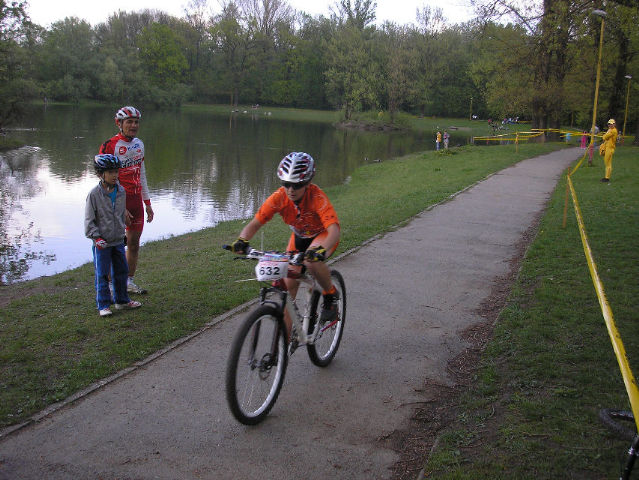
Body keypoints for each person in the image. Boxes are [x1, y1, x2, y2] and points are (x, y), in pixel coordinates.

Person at [230, 152, 340, 334]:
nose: (291, 190)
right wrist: (242, 240)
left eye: (297, 185)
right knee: (288, 290)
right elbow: (255, 223)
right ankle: (283, 348)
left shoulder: (317, 198)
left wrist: (322, 249)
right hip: (298, 238)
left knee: (311, 262)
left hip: (322, 236)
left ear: (307, 183)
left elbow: (334, 230)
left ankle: (330, 294)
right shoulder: (279, 198)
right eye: (286, 184)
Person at [99, 106, 154, 294]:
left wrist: (147, 203)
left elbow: (142, 174)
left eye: (136, 122)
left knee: (133, 244)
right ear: (119, 123)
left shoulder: (139, 144)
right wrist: (119, 206)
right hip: (116, 202)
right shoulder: (110, 145)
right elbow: (103, 181)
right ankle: (107, 283)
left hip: (136, 201)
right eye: (129, 122)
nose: (133, 125)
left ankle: (127, 281)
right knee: (112, 245)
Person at [85, 154, 142, 317]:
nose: (115, 175)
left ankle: (122, 301)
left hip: (117, 240)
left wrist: (123, 230)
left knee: (121, 271)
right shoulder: (94, 195)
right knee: (102, 274)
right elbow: (89, 221)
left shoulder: (121, 191)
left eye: (116, 172)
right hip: (102, 242)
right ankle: (103, 304)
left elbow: (119, 215)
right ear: (100, 174)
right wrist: (96, 237)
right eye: (110, 172)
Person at [599, 118, 618, 183]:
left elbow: (605, 137)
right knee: (607, 163)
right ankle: (606, 177)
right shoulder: (610, 130)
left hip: (610, 148)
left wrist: (604, 136)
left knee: (608, 164)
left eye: (612, 124)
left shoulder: (613, 131)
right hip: (607, 147)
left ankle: (607, 178)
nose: (610, 125)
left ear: (614, 124)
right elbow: (605, 137)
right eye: (609, 124)